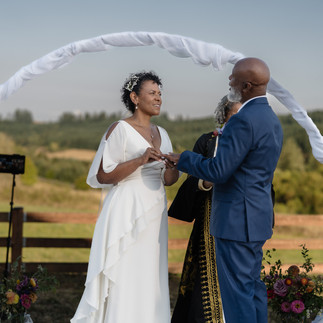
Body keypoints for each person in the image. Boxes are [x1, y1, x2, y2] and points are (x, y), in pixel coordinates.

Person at [164, 58, 283, 323]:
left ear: (246, 85)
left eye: (233, 78)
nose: (229, 81)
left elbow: (219, 171)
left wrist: (183, 157)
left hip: (235, 221)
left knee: (236, 293)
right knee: (253, 287)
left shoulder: (242, 120)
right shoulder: (272, 119)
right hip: (257, 218)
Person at [71, 71, 179, 323]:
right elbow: (102, 175)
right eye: (152, 93)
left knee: (149, 272)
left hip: (154, 212)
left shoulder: (163, 133)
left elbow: (168, 181)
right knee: (125, 270)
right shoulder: (119, 129)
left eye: (160, 94)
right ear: (135, 97)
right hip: (126, 208)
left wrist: (174, 166)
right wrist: (140, 160)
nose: (158, 98)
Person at [169, 95, 241, 323]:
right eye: (234, 116)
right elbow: (191, 181)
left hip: (241, 223)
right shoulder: (208, 142)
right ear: (223, 116)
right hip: (209, 224)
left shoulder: (253, 143)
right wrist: (206, 182)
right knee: (206, 285)